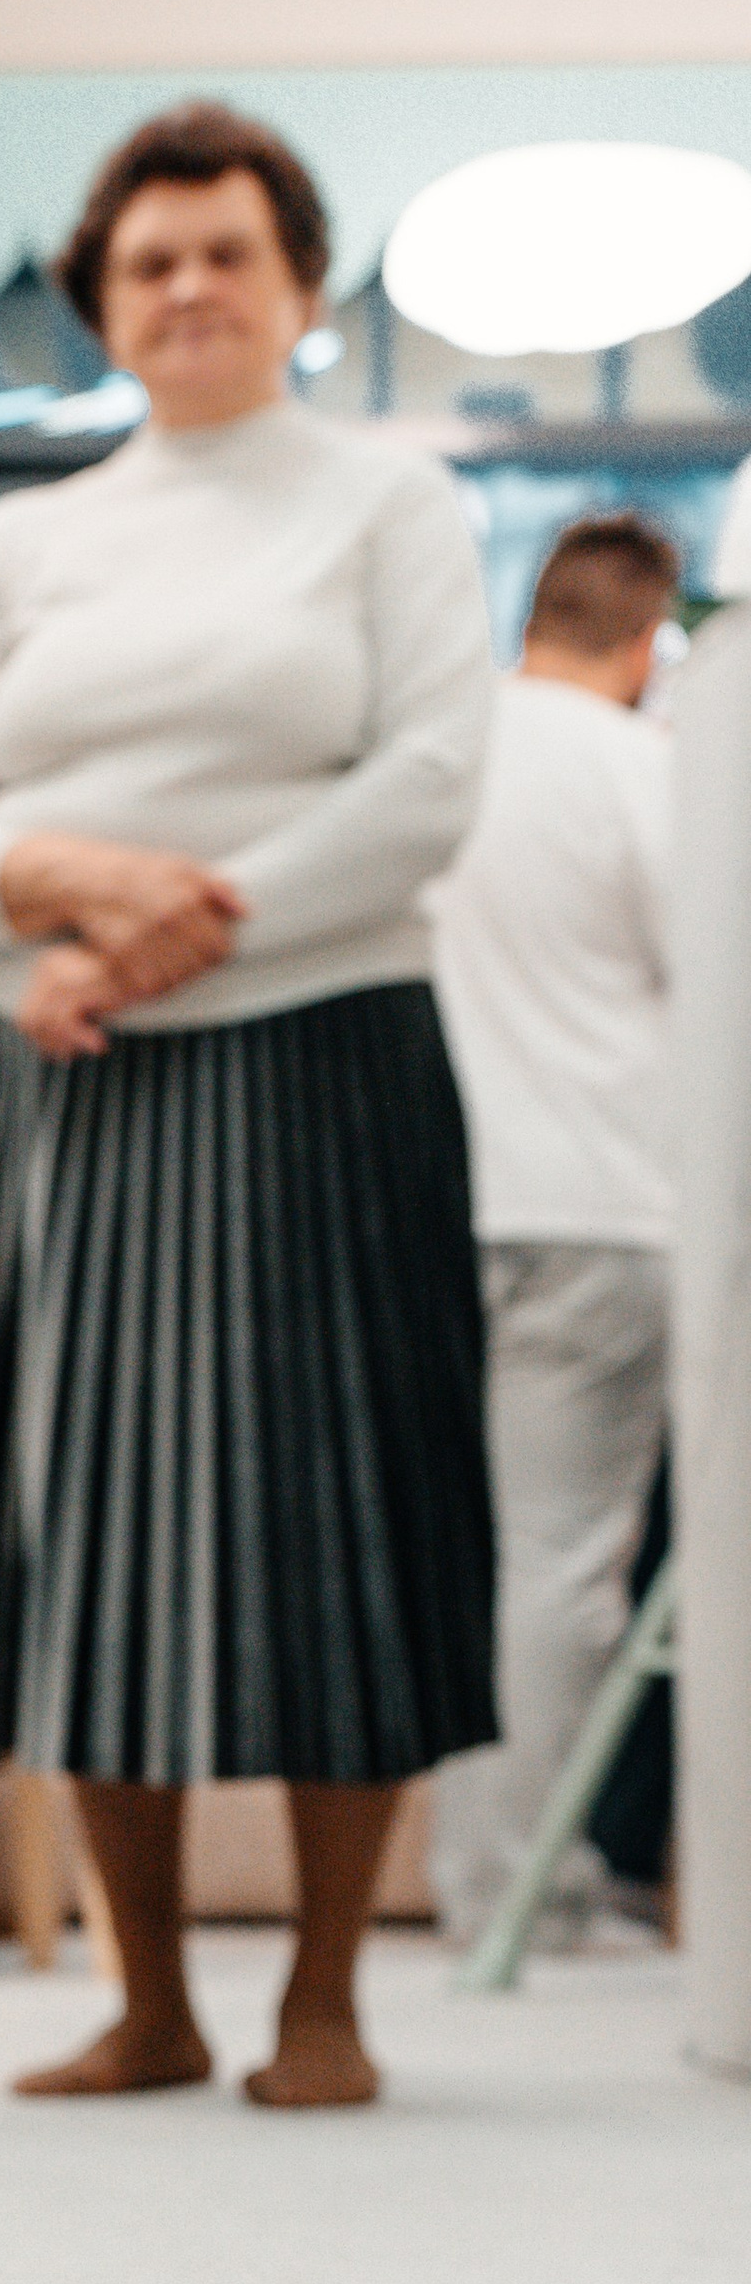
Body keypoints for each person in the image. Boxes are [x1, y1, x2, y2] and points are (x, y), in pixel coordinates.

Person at [0, 101, 496, 2108]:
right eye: (148, 260)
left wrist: (161, 933)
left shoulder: (386, 505)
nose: (189, 286)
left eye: (226, 250)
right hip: (56, 1080)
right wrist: (57, 914)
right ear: (100, 300)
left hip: (325, 1059)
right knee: (81, 1524)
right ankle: (146, 1999)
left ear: (298, 285)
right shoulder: (15, 538)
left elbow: (419, 786)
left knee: (344, 1504)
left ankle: (322, 1997)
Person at [428, 511, 678, 1944]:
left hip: (440, 1202)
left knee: (470, 1558)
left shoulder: (447, 758)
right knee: (566, 1567)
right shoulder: (647, 770)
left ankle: (482, 1880)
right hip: (600, 1205)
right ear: (647, 642)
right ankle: (532, 1893)